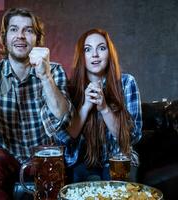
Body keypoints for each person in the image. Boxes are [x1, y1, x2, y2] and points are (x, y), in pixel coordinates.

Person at [0, 8, 72, 200]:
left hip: (46, 153)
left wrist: (45, 76)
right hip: (8, 152)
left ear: (38, 40)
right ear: (4, 38)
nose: (20, 36)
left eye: (28, 30)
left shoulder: (53, 71)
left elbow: (63, 117)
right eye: (14, 29)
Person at [60, 28, 142, 182]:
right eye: (87, 49)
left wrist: (104, 108)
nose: (95, 55)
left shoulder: (126, 82)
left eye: (101, 48)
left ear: (109, 54)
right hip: (81, 160)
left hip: (119, 156)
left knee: (118, 188)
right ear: (81, 56)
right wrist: (85, 107)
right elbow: (65, 137)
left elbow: (132, 136)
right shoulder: (70, 87)